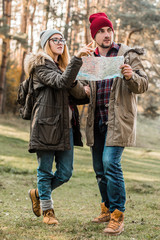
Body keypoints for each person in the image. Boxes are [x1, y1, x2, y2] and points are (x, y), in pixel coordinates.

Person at [84, 13, 148, 236]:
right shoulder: (90, 59)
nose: (106, 34)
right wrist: (80, 88)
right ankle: (106, 209)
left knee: (111, 164)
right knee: (100, 171)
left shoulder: (127, 55)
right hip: (96, 121)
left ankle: (118, 216)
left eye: (108, 30)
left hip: (118, 121)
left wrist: (131, 77)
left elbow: (143, 85)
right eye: (101, 31)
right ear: (94, 36)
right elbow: (81, 89)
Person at [25, 29, 93, 225]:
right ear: (47, 43)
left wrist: (84, 88)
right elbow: (62, 82)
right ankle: (48, 211)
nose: (60, 42)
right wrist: (78, 58)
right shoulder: (40, 66)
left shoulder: (63, 67)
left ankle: (38, 193)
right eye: (55, 39)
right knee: (44, 171)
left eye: (62, 39)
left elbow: (80, 94)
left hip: (66, 127)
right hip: (46, 125)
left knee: (65, 173)